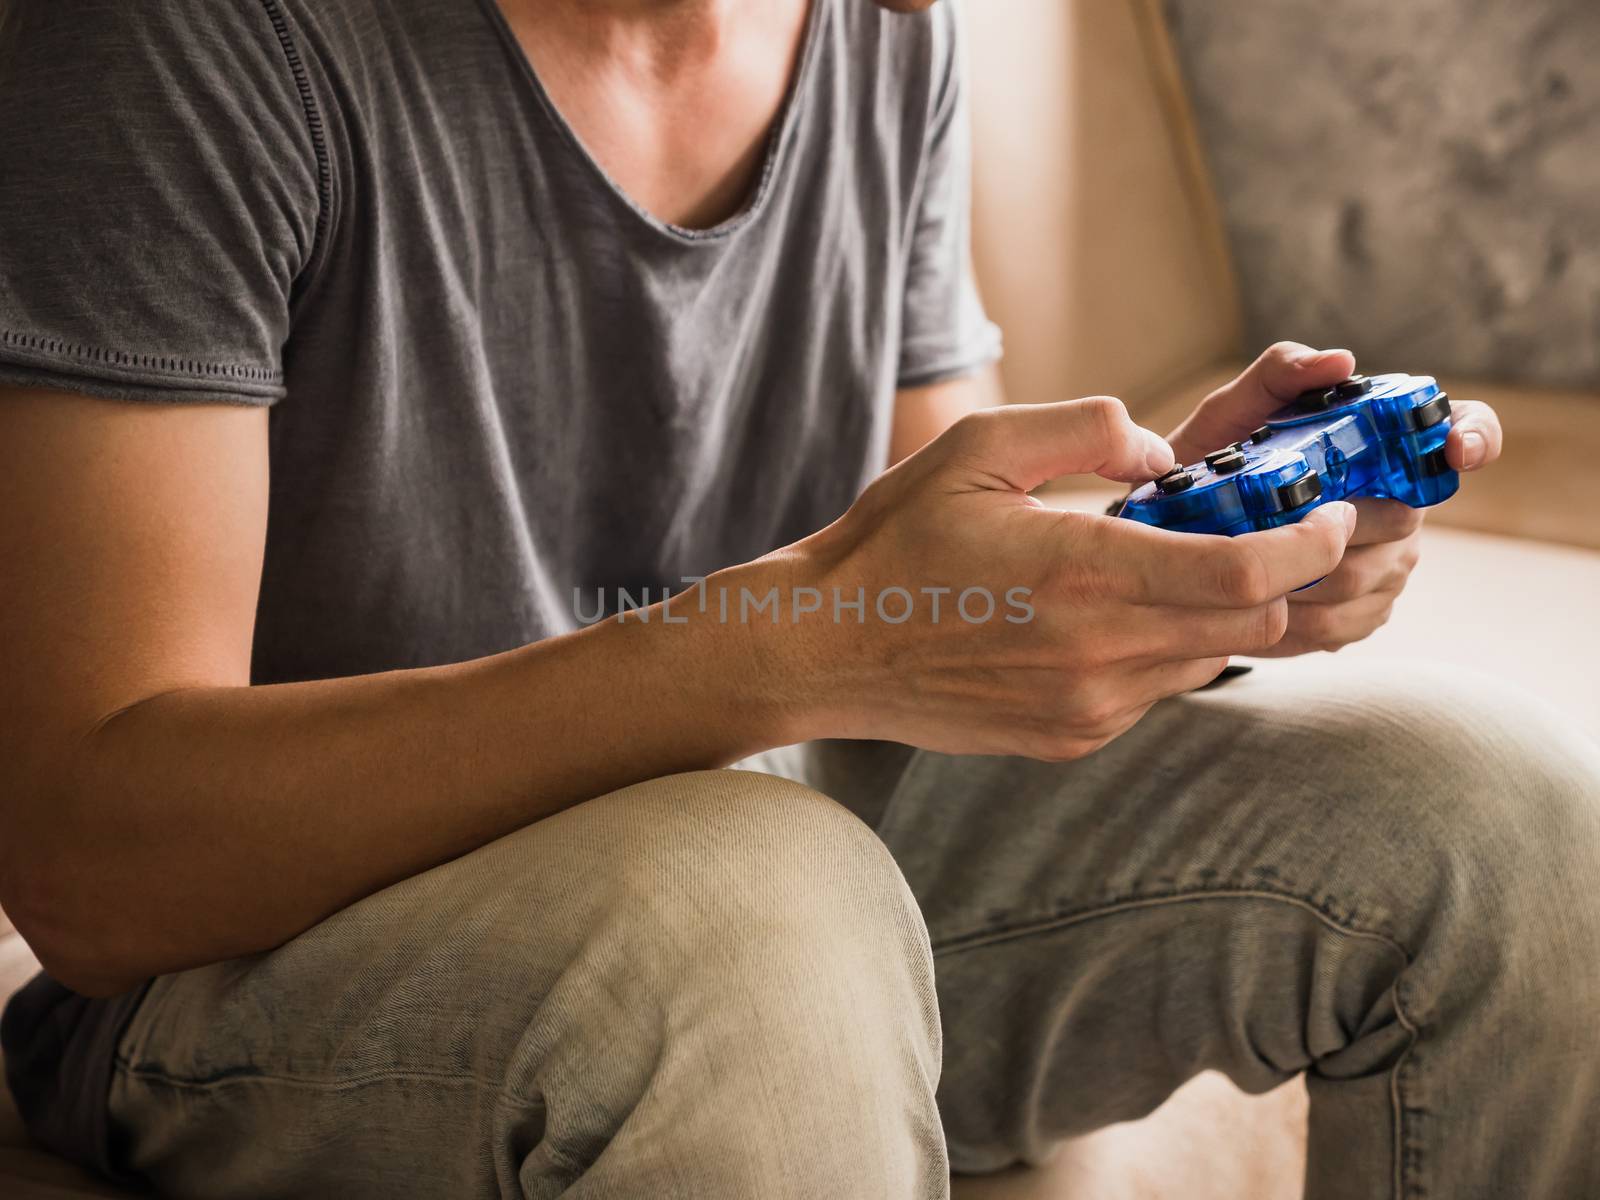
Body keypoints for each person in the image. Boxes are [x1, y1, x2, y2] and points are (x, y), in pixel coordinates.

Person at [1, 0, 1596, 1197]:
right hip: (272, 950)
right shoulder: (186, 42)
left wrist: (1167, 581)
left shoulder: (884, 35)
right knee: (759, 912)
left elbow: (920, 589)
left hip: (795, 864)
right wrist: (783, 643)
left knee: (1506, 823)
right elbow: (89, 868)